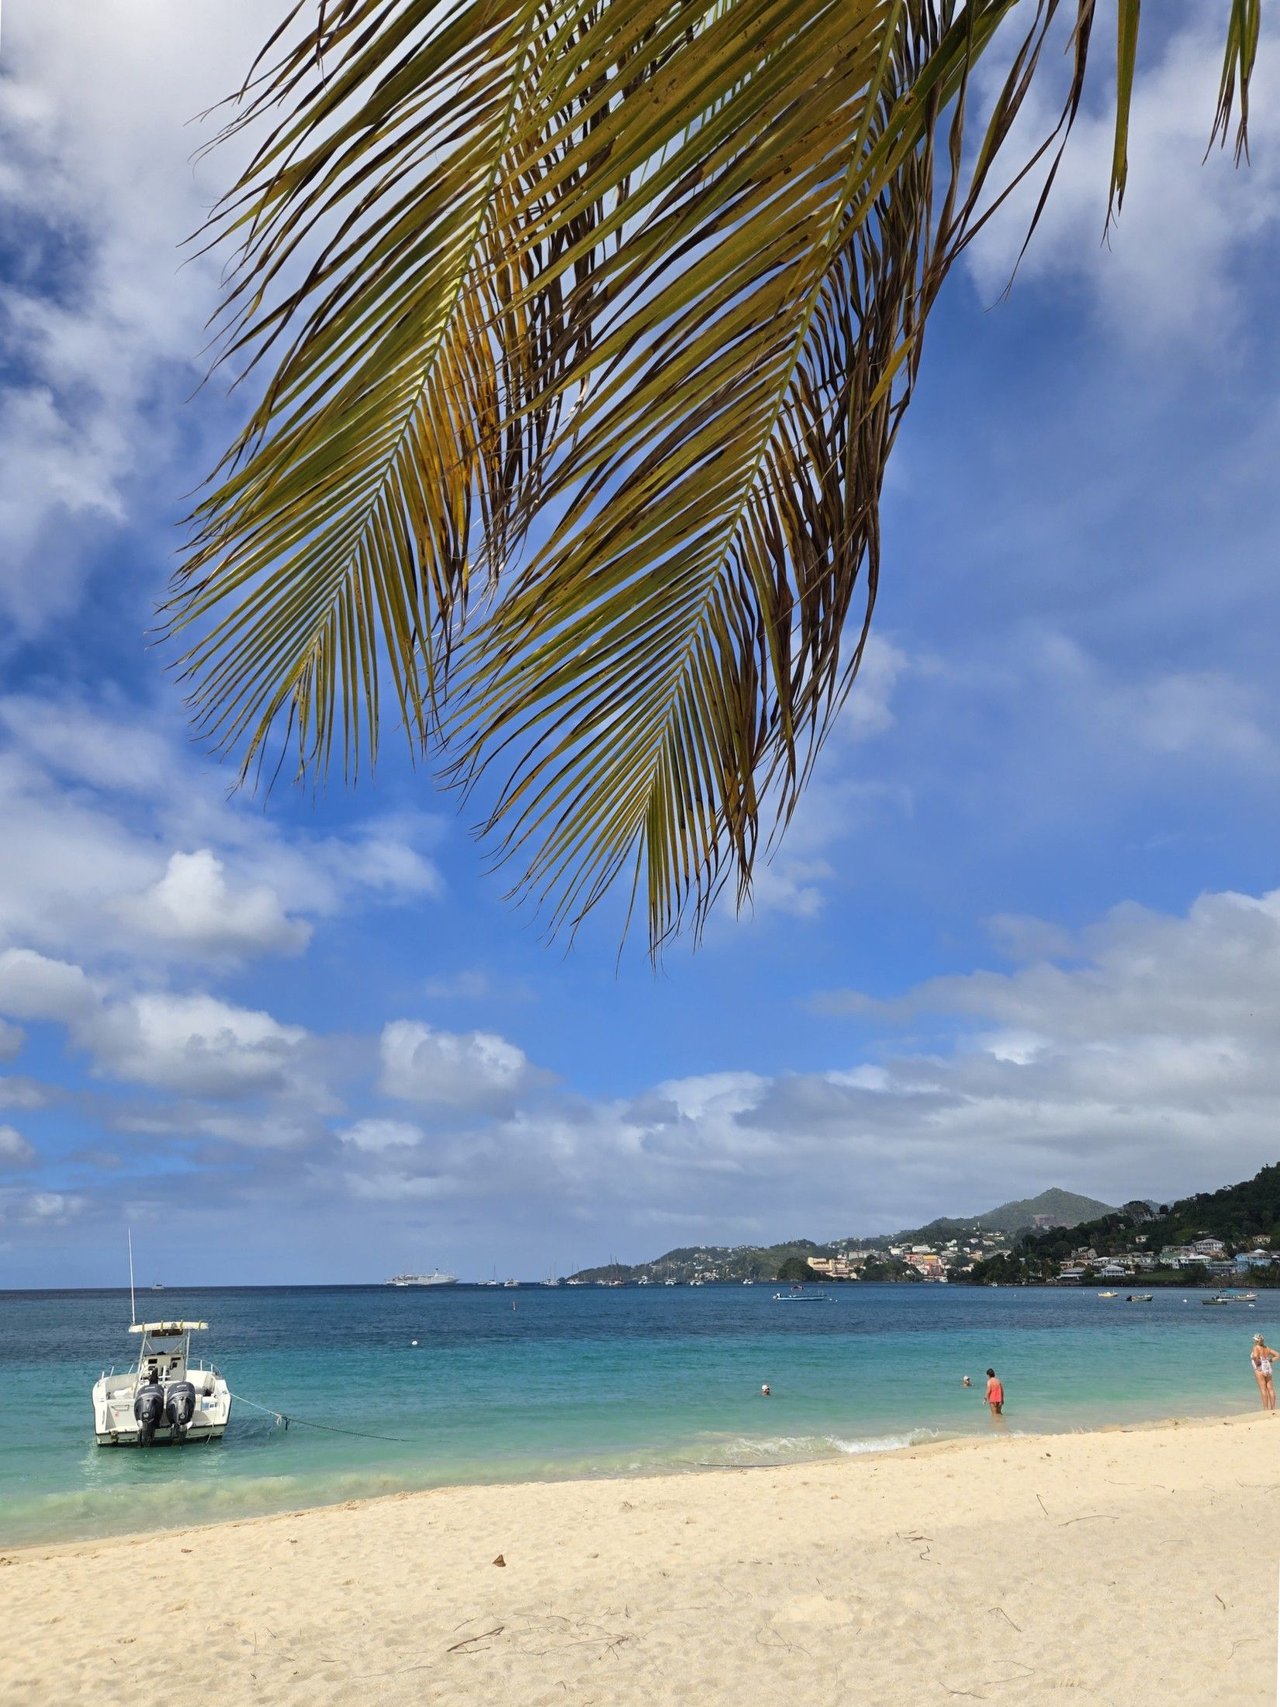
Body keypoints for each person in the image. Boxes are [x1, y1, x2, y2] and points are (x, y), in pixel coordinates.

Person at [1251, 1334, 1278, 1412]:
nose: (1254, 1341)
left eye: (1255, 1339)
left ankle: (1266, 1409)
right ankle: (1273, 1409)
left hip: (1260, 1368)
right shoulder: (1267, 1348)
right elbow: (1277, 1355)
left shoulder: (1256, 1347)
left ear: (1257, 1340)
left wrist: (1255, 1360)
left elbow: (1256, 1357)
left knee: (1263, 1389)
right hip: (1268, 1367)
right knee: (1270, 1388)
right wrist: (1269, 1361)